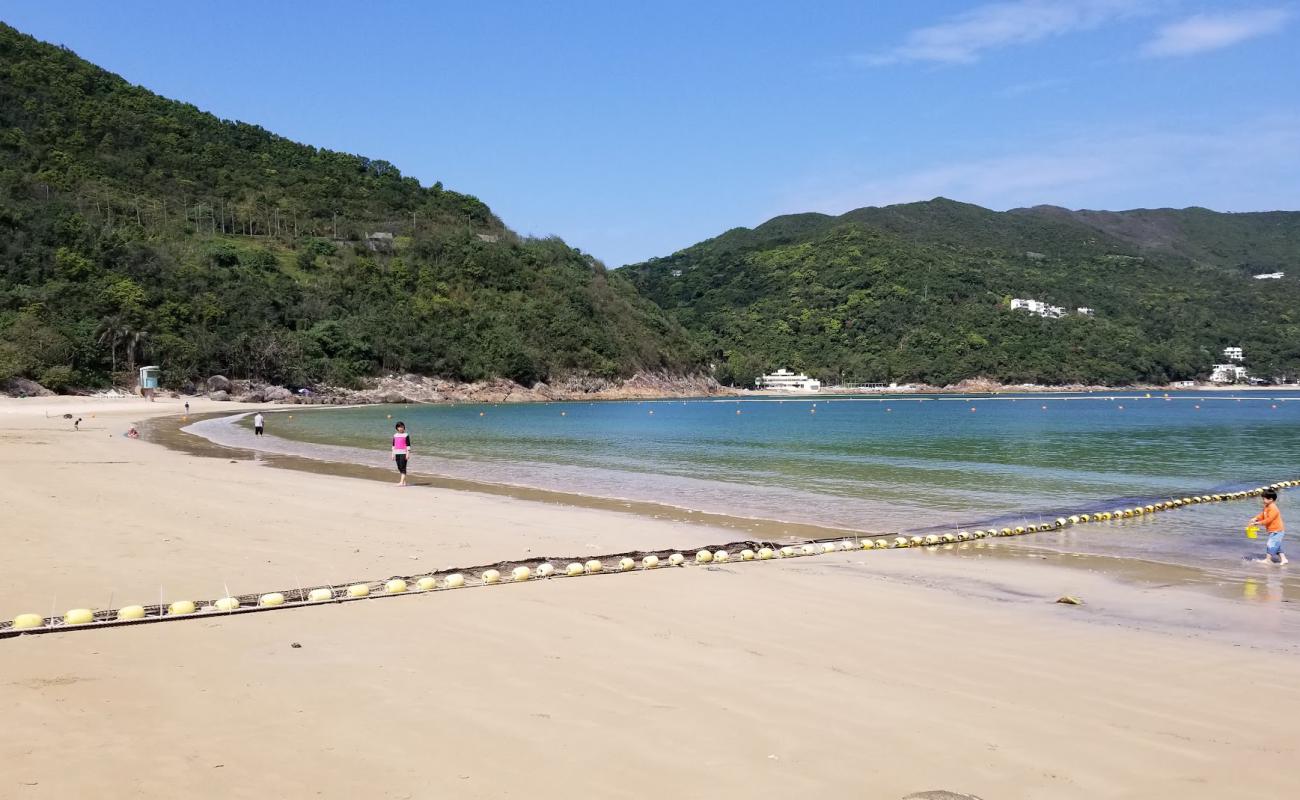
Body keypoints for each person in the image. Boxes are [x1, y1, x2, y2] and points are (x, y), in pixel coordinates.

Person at [1250, 489, 1287, 565]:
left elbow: (1268, 520)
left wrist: (1257, 523)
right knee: (1276, 545)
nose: (1263, 500)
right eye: (1263, 498)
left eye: (1264, 499)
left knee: (1270, 544)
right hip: (1273, 530)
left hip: (1277, 530)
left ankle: (1268, 560)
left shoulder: (1273, 508)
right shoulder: (1267, 506)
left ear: (1271, 499)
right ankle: (1284, 559)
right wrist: (1256, 518)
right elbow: (1262, 515)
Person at [392, 421, 412, 486]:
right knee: (399, 467)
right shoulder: (395, 435)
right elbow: (393, 445)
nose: (400, 428)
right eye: (399, 427)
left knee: (403, 467)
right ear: (397, 428)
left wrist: (408, 453)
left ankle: (401, 482)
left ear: (404, 427)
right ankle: (404, 482)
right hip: (397, 453)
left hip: (404, 453)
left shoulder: (406, 435)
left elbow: (408, 445)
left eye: (402, 427)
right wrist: (393, 454)